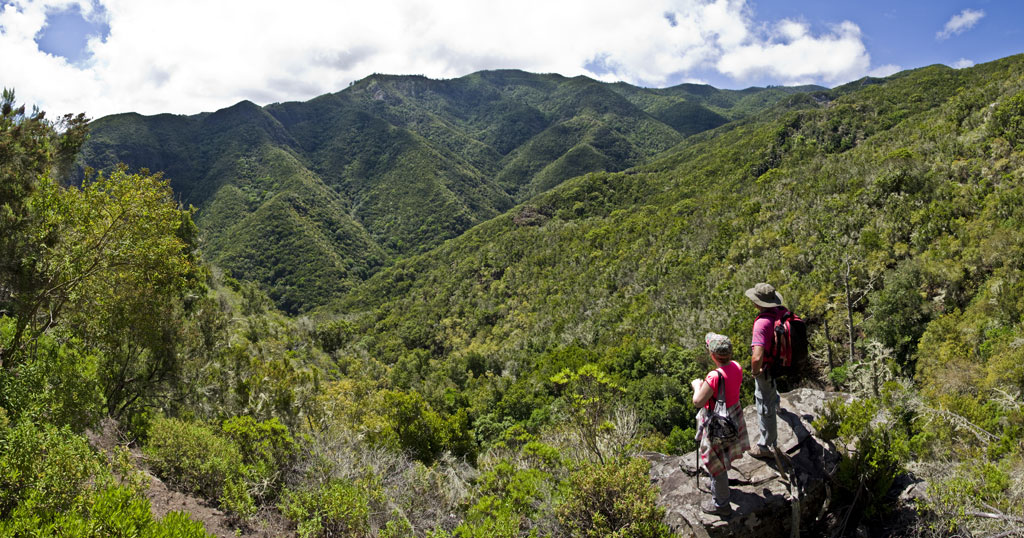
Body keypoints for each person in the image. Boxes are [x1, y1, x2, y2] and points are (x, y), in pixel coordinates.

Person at [691, 332, 750, 516]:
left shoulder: (714, 376)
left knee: (716, 463)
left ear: (712, 355)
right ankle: (720, 487)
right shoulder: (736, 366)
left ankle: (721, 504)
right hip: (733, 414)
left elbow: (698, 402)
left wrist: (696, 387)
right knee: (723, 456)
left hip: (717, 420)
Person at [745, 282, 787, 459]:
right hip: (779, 363)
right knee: (771, 390)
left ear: (757, 303)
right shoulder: (781, 312)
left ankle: (765, 445)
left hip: (767, 368)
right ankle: (777, 403)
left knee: (763, 404)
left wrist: (755, 372)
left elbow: (756, 357)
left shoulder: (762, 324)